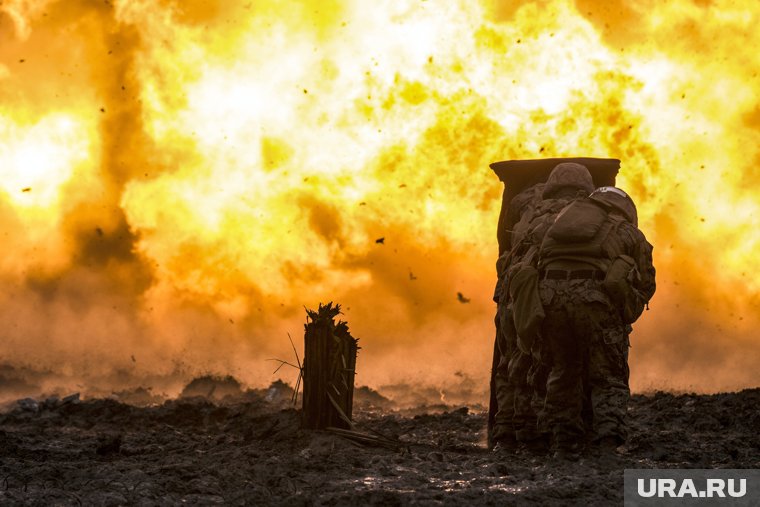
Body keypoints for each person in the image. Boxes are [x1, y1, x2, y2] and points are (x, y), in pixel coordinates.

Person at [536, 185, 656, 459]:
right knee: (607, 375)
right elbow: (646, 282)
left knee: (562, 370)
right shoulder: (627, 232)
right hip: (595, 304)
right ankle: (607, 445)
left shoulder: (556, 226)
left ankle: (563, 445)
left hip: (550, 302)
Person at [492, 162, 595, 453]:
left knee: (513, 365)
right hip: (557, 296)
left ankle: (511, 435)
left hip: (518, 294)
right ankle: (560, 433)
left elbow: (506, 247)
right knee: (563, 366)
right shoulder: (589, 214)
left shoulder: (527, 208)